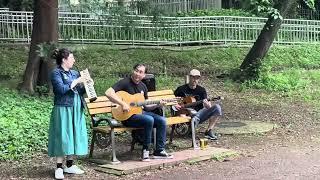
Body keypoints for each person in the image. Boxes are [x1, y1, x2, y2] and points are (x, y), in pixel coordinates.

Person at [105, 63, 173, 161]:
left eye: (140, 72)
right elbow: (108, 92)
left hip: (140, 114)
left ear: (144, 75)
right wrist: (123, 104)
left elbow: (146, 106)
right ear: (133, 70)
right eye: (136, 70)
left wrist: (158, 104)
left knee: (161, 120)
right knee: (148, 119)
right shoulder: (124, 82)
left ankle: (159, 151)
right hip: (126, 116)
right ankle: (145, 151)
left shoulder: (143, 87)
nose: (137, 73)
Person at [48, 48, 88, 179]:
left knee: (74, 134)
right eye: (72, 58)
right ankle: (59, 167)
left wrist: (87, 85)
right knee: (63, 136)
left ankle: (69, 165)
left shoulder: (74, 72)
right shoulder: (56, 73)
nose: (74, 60)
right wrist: (76, 81)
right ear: (64, 60)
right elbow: (60, 90)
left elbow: (79, 91)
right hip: (63, 108)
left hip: (76, 107)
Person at [174, 69, 222, 140]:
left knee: (217, 107)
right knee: (192, 114)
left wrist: (208, 106)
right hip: (184, 113)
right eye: (193, 77)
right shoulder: (181, 89)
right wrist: (175, 105)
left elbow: (207, 105)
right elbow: (172, 99)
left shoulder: (201, 90)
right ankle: (191, 127)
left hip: (198, 114)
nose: (195, 79)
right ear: (189, 77)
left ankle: (209, 130)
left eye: (197, 78)